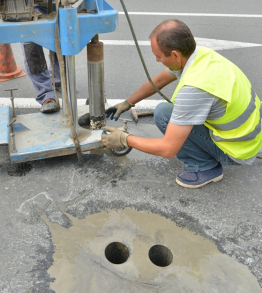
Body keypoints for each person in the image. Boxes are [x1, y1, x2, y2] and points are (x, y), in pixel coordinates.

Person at [102, 20, 262, 188]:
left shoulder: (194, 89)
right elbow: (159, 80)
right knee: (169, 113)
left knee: (163, 114)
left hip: (238, 150)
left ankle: (205, 167)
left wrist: (124, 139)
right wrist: (128, 102)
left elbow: (168, 149)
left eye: (159, 56)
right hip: (251, 135)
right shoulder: (200, 55)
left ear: (175, 54)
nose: (157, 60)